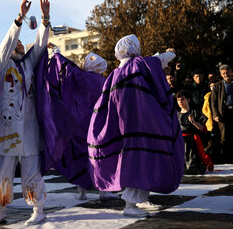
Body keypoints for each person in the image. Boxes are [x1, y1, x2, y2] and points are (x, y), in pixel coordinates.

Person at [87, 34, 184, 218]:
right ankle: (130, 204)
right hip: (141, 124)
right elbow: (158, 60)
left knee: (140, 159)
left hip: (126, 126)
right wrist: (171, 53)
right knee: (141, 160)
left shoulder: (116, 73)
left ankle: (140, 199)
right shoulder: (139, 65)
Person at [0, 0, 50, 226]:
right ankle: (0, 210)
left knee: (32, 170)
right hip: (6, 129)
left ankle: (38, 209)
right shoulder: (2, 65)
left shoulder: (29, 63)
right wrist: (19, 18)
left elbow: (40, 45)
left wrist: (44, 19)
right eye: (16, 43)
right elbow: (4, 46)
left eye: (21, 43)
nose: (20, 44)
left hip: (30, 127)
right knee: (2, 172)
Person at [176, 90, 212, 174]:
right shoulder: (176, 114)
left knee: (194, 168)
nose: (180, 102)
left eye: (182, 99)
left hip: (192, 141)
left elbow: (202, 129)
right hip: (180, 141)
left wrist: (193, 122)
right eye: (178, 100)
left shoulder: (195, 112)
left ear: (188, 100)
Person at [211, 64, 233, 163]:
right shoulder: (217, 86)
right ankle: (226, 158)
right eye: (223, 73)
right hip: (223, 114)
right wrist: (215, 115)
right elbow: (213, 102)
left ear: (231, 72)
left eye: (227, 72)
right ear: (221, 74)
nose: (225, 74)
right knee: (224, 137)